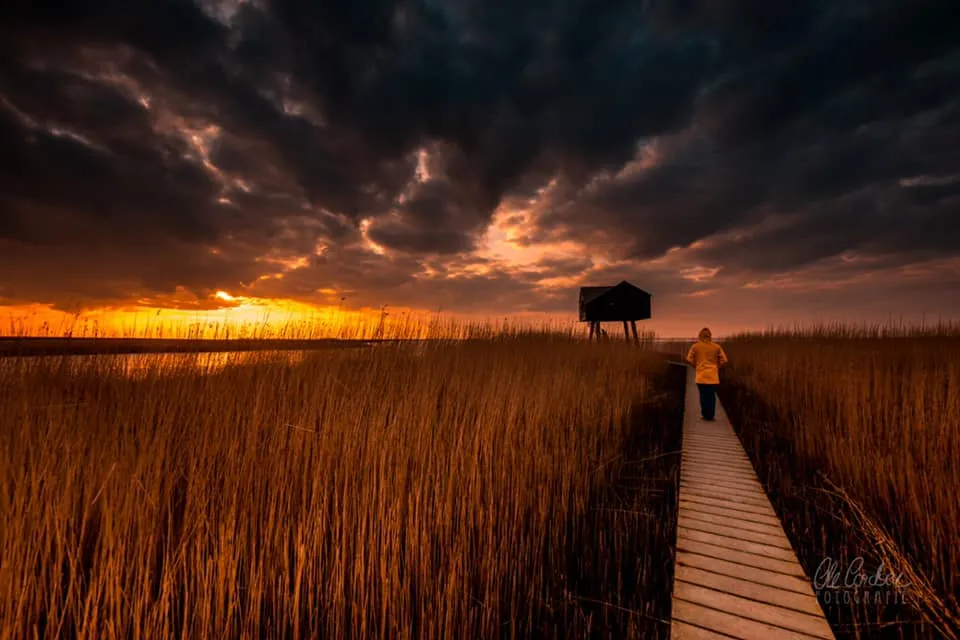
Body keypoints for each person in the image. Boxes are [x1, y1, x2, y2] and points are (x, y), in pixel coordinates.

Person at [686, 327, 728, 421]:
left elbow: (689, 359)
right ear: (710, 336)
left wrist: (696, 365)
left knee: (703, 395)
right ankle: (711, 415)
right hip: (712, 375)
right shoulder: (716, 347)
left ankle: (705, 415)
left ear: (700, 335)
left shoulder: (696, 346)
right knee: (711, 396)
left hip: (701, 375)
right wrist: (717, 367)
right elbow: (724, 360)